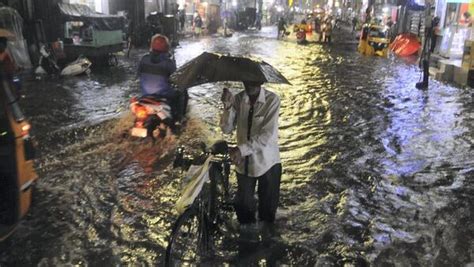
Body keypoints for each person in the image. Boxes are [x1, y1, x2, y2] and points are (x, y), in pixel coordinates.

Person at [220, 81, 282, 228]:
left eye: (254, 80)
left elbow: (266, 136)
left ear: (261, 81)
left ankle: (267, 242)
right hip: (244, 165)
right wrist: (228, 106)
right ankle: (247, 241)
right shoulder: (238, 99)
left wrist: (241, 150)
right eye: (247, 80)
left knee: (267, 214)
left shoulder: (272, 100)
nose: (250, 84)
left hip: (268, 163)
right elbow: (226, 129)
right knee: (243, 210)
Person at [137, 34, 184, 121]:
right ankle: (179, 120)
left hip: (145, 97)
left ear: (151, 46)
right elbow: (176, 80)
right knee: (182, 93)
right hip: (163, 98)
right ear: (167, 47)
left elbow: (139, 75)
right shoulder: (168, 62)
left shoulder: (144, 59)